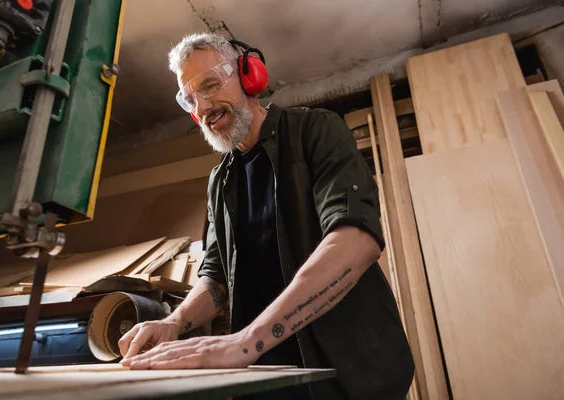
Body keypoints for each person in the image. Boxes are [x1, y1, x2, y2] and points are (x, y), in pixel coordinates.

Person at [118, 32, 414, 400]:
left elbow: (356, 239)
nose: (204, 106)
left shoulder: (315, 131)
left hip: (350, 374)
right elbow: (215, 278)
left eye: (210, 85)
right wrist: (174, 323)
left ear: (248, 76)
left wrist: (245, 342)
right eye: (191, 99)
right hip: (268, 376)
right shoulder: (219, 181)